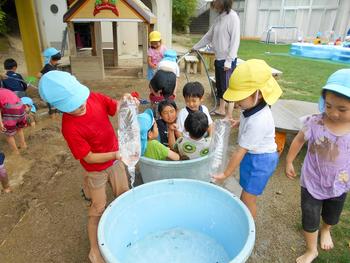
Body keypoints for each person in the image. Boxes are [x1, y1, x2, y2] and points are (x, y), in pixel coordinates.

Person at [39, 70, 131, 263]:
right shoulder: (70, 127)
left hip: (115, 162)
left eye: (80, 100)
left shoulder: (94, 98)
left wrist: (126, 100)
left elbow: (115, 107)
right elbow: (88, 158)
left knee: (124, 194)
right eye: (72, 106)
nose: (80, 106)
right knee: (98, 207)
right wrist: (115, 154)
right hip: (96, 169)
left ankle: (125, 228)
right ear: (58, 107)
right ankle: (94, 249)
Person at [285, 69, 350, 263]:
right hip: (312, 181)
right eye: (329, 106)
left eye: (342, 109)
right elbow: (298, 140)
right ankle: (311, 249)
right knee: (310, 216)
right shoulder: (315, 122)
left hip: (339, 184)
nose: (333, 113)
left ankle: (326, 229)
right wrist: (289, 160)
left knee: (332, 215)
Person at [212, 59, 282, 219]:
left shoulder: (259, 121)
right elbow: (247, 120)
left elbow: (239, 151)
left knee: (247, 198)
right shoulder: (252, 107)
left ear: (257, 94)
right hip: (254, 156)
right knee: (245, 191)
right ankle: (245, 218)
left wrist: (226, 173)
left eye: (240, 98)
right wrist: (238, 123)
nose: (236, 102)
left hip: (261, 161)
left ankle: (249, 228)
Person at [192, 0, 240, 118]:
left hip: (227, 61)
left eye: (215, 2)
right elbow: (209, 36)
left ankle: (229, 115)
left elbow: (235, 41)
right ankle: (221, 109)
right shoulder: (219, 18)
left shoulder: (233, 17)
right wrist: (195, 47)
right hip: (219, 59)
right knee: (220, 86)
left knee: (228, 88)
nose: (214, 5)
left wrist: (229, 61)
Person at [0, 87, 27, 155]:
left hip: (11, 111)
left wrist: (1, 124)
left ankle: (16, 151)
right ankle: (23, 145)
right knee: (19, 128)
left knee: (9, 134)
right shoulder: (6, 90)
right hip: (21, 109)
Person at [38, 47, 62, 117]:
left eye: (57, 60)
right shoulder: (47, 66)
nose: (56, 62)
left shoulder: (53, 66)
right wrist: (46, 79)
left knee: (56, 108)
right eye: (55, 60)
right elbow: (38, 75)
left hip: (54, 90)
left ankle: (54, 118)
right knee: (52, 109)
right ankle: (52, 118)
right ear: (49, 58)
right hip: (50, 91)